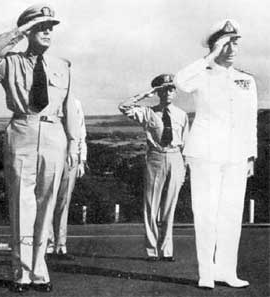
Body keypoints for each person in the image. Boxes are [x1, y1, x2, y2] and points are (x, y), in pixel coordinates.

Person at [0, 4, 81, 293]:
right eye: (41, 26)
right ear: (28, 30)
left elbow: (69, 108)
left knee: (46, 204)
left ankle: (40, 271)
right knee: (21, 204)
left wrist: (74, 143)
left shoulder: (62, 66)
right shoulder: (10, 62)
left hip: (54, 133)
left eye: (52, 26)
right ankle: (22, 273)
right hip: (22, 130)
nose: (49, 30)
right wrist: (20, 31)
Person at [174, 19, 257, 289]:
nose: (232, 48)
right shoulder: (201, 74)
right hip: (205, 152)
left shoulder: (246, 80)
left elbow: (249, 121)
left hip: (236, 154)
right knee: (206, 212)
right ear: (214, 46)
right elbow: (180, 82)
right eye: (225, 43)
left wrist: (250, 156)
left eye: (235, 42)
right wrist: (209, 56)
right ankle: (206, 272)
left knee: (231, 214)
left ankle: (227, 271)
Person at [119, 74, 189, 261]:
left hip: (175, 158)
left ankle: (166, 250)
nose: (168, 92)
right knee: (151, 205)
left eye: (171, 89)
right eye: (164, 89)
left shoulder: (181, 115)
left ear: (175, 92)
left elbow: (186, 144)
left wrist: (184, 167)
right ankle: (151, 250)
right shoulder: (148, 112)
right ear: (158, 92)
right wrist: (145, 94)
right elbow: (124, 107)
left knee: (169, 206)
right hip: (155, 158)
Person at [47, 98, 87, 258]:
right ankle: (47, 244)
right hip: (49, 155)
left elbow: (81, 133)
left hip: (70, 158)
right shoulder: (45, 100)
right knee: (47, 200)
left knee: (63, 202)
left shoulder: (74, 103)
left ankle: (60, 245)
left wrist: (82, 161)